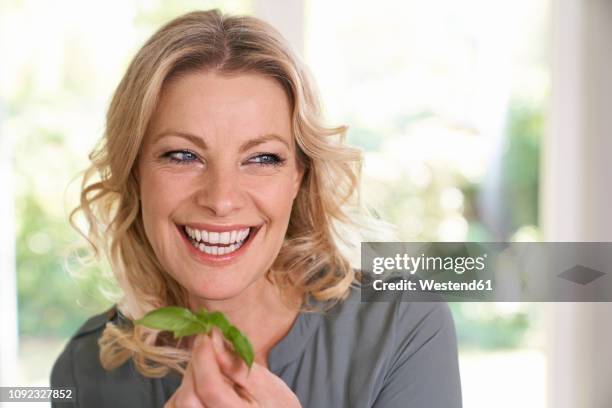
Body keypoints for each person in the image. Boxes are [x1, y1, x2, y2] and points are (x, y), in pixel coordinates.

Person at [51, 9, 462, 408]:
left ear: (298, 177)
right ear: (136, 173)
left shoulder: (403, 326)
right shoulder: (83, 371)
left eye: (262, 158)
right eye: (182, 155)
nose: (221, 198)